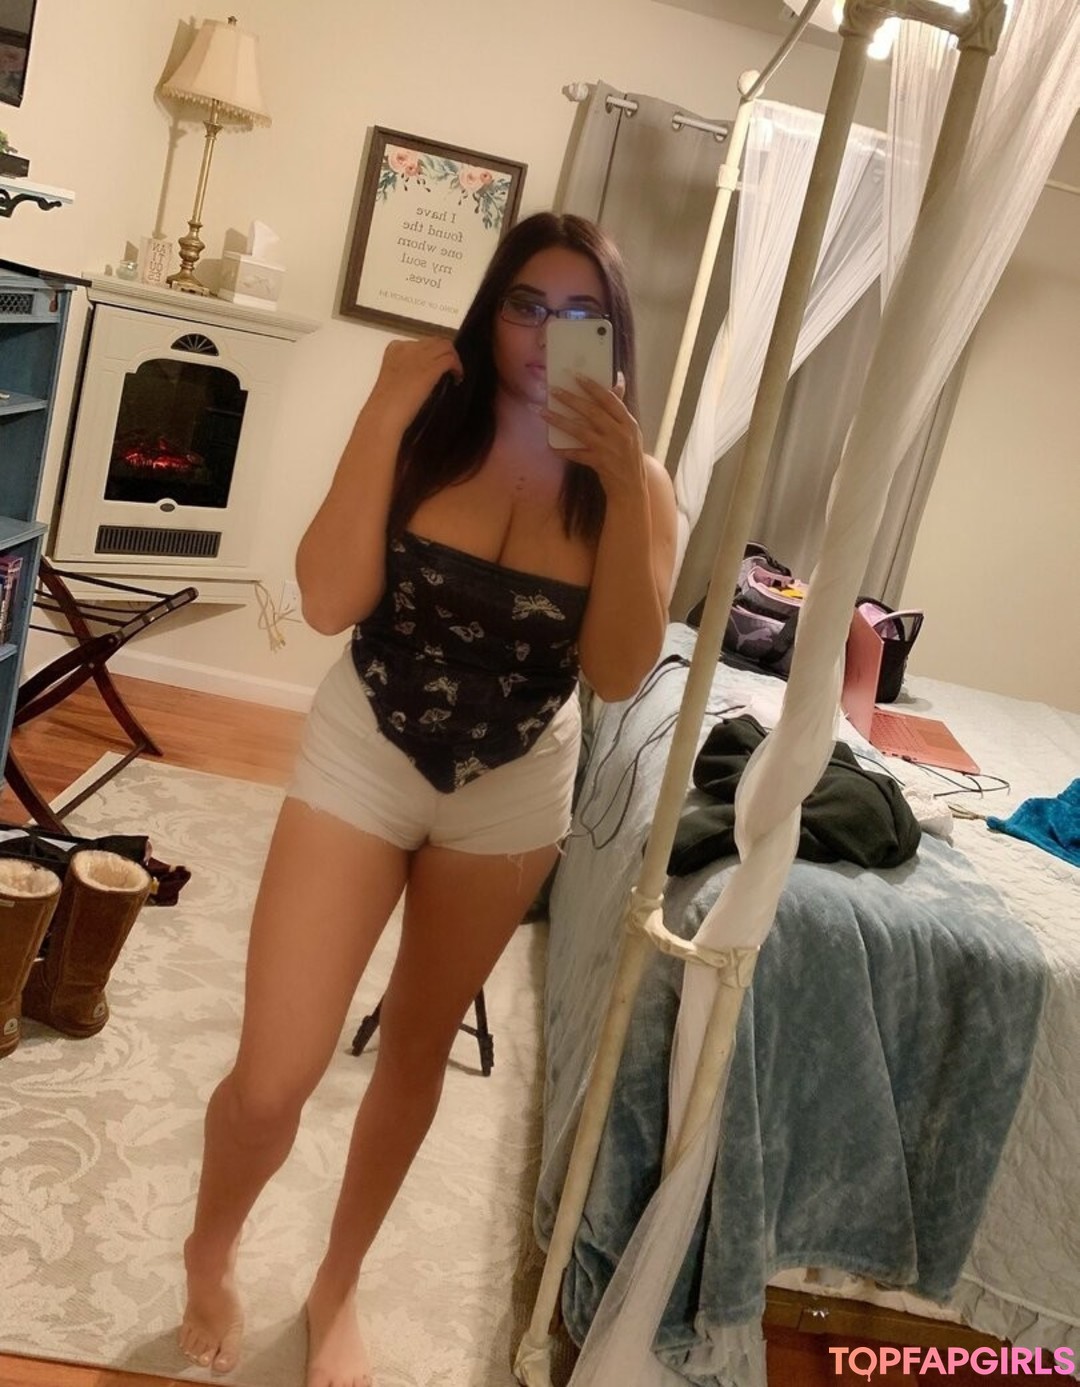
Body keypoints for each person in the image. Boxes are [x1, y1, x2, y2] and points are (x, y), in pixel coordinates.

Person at [177, 211, 677, 1387]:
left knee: (414, 1050)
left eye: (580, 315)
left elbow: (615, 673)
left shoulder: (637, 482)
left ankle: (337, 1283)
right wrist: (380, 409)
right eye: (526, 304)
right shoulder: (427, 424)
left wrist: (623, 486)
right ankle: (210, 1249)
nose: (546, 334)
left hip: (514, 792)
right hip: (365, 748)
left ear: (614, 337)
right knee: (274, 1076)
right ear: (491, 311)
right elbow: (327, 598)